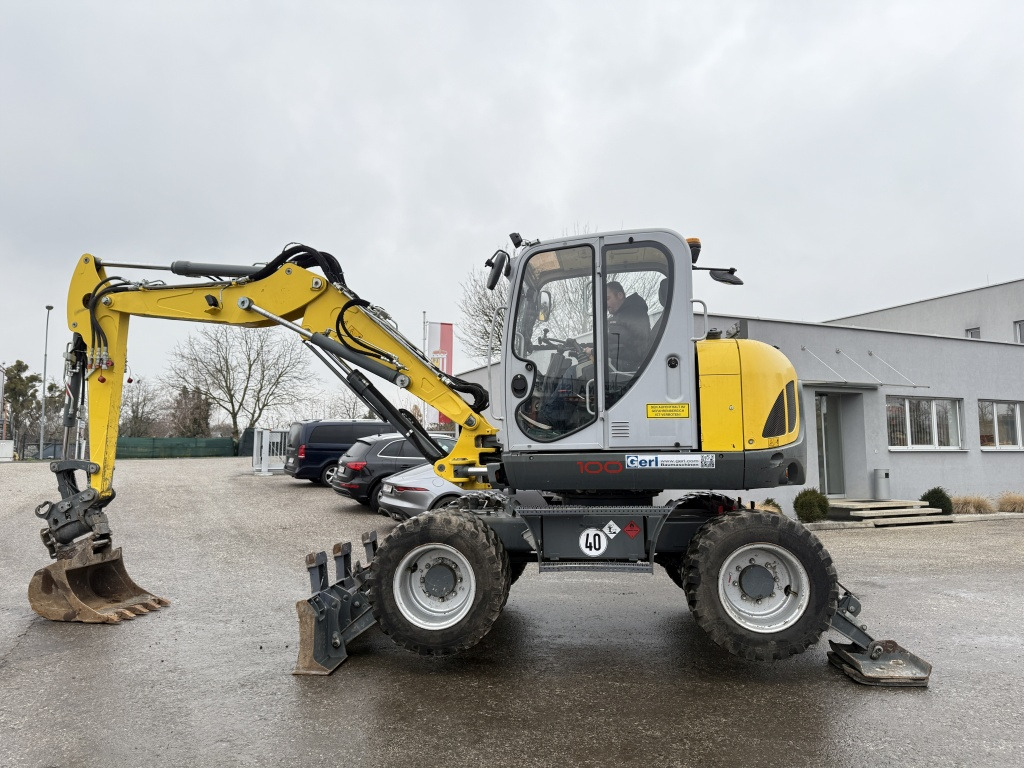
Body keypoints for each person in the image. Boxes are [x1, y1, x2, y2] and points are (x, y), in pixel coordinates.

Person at [604, 281, 650, 371]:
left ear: (620, 295)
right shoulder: (619, 316)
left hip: (628, 368)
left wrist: (597, 352)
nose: (605, 304)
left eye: (608, 298)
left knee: (576, 371)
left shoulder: (634, 314)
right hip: (618, 363)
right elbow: (612, 342)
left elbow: (641, 349)